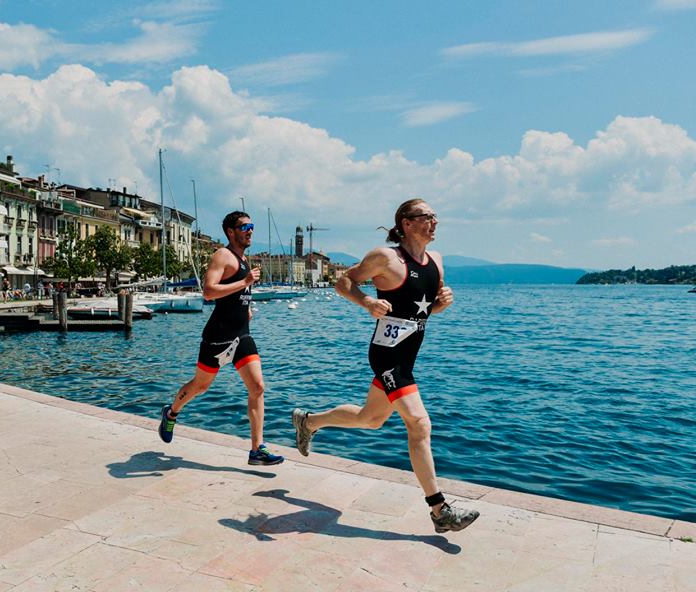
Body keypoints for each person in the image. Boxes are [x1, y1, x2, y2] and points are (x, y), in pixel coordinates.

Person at [291, 199, 479, 533]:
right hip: (387, 354)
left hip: (408, 356)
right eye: (427, 217)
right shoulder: (386, 257)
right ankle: (439, 510)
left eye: (436, 216)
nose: (435, 221)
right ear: (407, 223)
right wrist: (366, 301)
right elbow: (344, 282)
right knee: (419, 424)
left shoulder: (437, 260)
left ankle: (309, 422)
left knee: (371, 419)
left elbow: (422, 311)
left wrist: (439, 305)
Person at [158, 211, 284, 466]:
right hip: (218, 337)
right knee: (200, 386)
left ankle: (257, 449)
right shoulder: (222, 256)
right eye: (244, 227)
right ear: (230, 231)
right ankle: (171, 413)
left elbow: (237, 293)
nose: (250, 230)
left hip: (241, 336)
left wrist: (246, 307)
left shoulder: (244, 259)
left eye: (252, 226)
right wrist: (245, 282)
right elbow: (208, 292)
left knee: (258, 387)